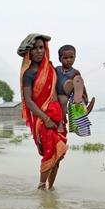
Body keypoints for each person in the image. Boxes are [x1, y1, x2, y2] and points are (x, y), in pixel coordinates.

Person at [18, 33, 67, 190]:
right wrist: (46, 119)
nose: (39, 51)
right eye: (34, 48)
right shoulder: (29, 74)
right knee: (50, 153)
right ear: (28, 52)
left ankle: (51, 189)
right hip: (43, 119)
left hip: (58, 117)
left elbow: (61, 91)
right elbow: (29, 101)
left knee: (59, 156)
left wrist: (61, 119)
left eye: (41, 48)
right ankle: (41, 187)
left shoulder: (51, 68)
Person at [55, 44, 95, 136]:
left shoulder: (75, 72)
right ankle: (60, 123)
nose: (68, 60)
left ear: (75, 57)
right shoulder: (57, 69)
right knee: (64, 100)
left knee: (76, 89)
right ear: (60, 59)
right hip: (59, 93)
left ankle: (82, 109)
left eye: (71, 57)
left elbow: (81, 86)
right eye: (65, 58)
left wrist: (85, 97)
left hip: (70, 94)